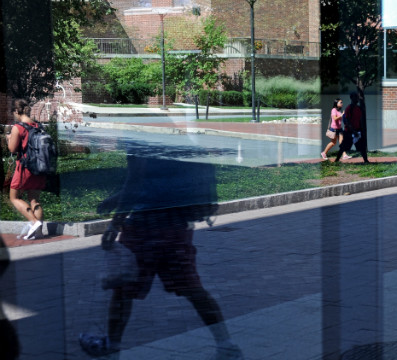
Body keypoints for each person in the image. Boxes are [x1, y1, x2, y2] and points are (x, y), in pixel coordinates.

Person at [79, 155, 243, 359]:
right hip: (176, 226)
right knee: (192, 288)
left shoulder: (137, 136)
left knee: (123, 290)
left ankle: (111, 348)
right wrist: (117, 199)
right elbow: (157, 180)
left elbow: (136, 181)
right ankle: (226, 344)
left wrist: (114, 224)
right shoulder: (171, 135)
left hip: (144, 228)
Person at [5, 99, 46, 240]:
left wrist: (9, 138)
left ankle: (34, 223)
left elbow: (12, 148)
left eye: (14, 113)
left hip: (25, 167)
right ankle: (38, 231)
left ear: (17, 111)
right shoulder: (37, 125)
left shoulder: (18, 127)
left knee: (14, 197)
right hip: (40, 166)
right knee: (34, 198)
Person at [335, 92, 369, 163]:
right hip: (349, 132)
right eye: (355, 97)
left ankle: (366, 160)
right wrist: (353, 131)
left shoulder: (359, 108)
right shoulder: (349, 108)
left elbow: (360, 120)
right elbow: (347, 121)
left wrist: (361, 131)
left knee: (362, 147)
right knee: (343, 147)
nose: (357, 99)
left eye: (357, 97)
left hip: (357, 131)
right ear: (351, 98)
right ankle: (336, 160)